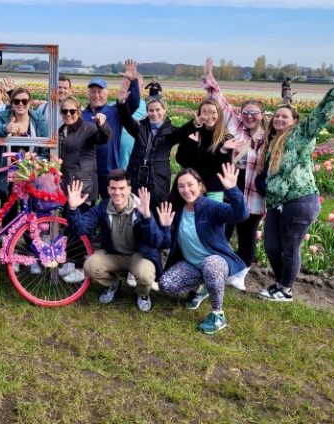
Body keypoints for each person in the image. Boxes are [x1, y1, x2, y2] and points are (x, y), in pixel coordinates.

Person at [257, 67, 334, 302]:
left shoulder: (300, 136)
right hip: (275, 202)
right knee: (272, 246)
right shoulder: (271, 142)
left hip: (299, 201)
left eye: (285, 116)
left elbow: (321, 114)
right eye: (276, 116)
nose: (279, 119)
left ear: (295, 121)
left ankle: (285, 290)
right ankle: (279, 283)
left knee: (289, 248)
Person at [157, 164, 249, 334]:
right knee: (166, 285)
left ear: (199, 186)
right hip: (193, 265)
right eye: (181, 186)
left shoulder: (211, 207)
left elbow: (240, 215)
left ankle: (217, 315)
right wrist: (165, 227)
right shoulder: (176, 211)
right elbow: (165, 244)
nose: (186, 190)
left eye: (190, 184)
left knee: (211, 265)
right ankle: (203, 288)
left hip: (216, 262)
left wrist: (232, 190)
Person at [66, 171, 166, 313]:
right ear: (108, 189)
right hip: (112, 254)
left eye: (122, 188)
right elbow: (79, 229)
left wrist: (147, 217)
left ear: (129, 189)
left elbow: (155, 241)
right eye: (113, 188)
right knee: (89, 266)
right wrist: (73, 208)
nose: (117, 192)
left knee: (145, 274)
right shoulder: (102, 208)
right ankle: (113, 284)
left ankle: (143, 294)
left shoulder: (140, 207)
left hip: (137, 255)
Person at [202, 57, 266, 268]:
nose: (248, 117)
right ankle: (221, 265)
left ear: (262, 115)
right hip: (230, 188)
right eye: (245, 112)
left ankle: (242, 272)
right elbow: (221, 102)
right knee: (225, 229)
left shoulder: (268, 137)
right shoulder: (236, 127)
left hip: (254, 193)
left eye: (253, 113)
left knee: (247, 234)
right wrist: (209, 76)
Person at [82, 59, 141, 199]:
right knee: (84, 210)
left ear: (107, 93)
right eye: (92, 91)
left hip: (108, 171)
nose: (96, 95)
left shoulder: (115, 112)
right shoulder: (81, 115)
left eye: (100, 91)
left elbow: (134, 103)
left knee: (110, 210)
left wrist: (133, 81)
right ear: (88, 93)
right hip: (87, 172)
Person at [117, 76, 176, 213]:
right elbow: (126, 118)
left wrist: (196, 126)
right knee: (134, 215)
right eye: (151, 110)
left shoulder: (170, 131)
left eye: (157, 110)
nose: (154, 113)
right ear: (147, 112)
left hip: (158, 183)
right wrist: (121, 102)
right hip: (137, 177)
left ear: (164, 110)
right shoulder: (140, 128)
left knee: (156, 215)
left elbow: (185, 132)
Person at [0, 86, 49, 194]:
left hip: (31, 174)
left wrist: (35, 163)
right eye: (16, 101)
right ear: (12, 103)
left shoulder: (39, 119)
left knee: (29, 208)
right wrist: (5, 128)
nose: (21, 104)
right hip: (8, 174)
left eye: (24, 101)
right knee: (8, 207)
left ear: (29, 103)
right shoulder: (3, 116)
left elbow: (45, 150)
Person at [58, 95, 111, 211]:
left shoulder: (88, 128)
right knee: (68, 222)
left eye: (72, 111)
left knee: (81, 224)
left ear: (78, 112)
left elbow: (104, 138)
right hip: (65, 184)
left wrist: (102, 125)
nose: (68, 114)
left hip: (83, 186)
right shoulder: (60, 131)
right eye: (64, 111)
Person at [172, 98, 233, 201]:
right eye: (204, 111)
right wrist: (191, 143)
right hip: (191, 187)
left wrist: (222, 152)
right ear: (199, 114)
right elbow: (181, 160)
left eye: (213, 112)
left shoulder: (226, 138)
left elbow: (217, 169)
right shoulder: (193, 133)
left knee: (211, 216)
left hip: (213, 190)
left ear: (219, 115)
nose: (209, 116)